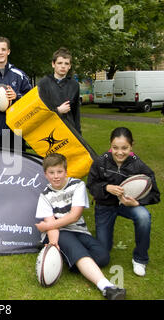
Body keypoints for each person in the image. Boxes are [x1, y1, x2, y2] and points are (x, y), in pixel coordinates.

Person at [35, 153, 126, 300]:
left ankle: (72, 259)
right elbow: (52, 226)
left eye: (59, 172)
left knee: (103, 257)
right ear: (45, 174)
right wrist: (53, 243)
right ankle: (107, 287)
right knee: (77, 250)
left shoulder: (77, 185)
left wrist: (47, 225)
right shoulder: (45, 195)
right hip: (59, 232)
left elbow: (75, 216)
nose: (56, 176)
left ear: (66, 171)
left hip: (79, 229)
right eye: (51, 173)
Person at [87, 127, 160, 276]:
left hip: (127, 206)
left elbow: (155, 193)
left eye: (124, 148)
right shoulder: (101, 162)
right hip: (105, 206)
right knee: (103, 251)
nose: (119, 152)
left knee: (144, 216)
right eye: (115, 148)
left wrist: (137, 203)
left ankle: (140, 259)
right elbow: (91, 185)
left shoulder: (138, 165)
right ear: (110, 145)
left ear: (132, 145)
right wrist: (106, 187)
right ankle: (101, 239)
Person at [38, 47, 81, 134]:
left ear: (69, 66)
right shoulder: (43, 83)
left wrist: (78, 134)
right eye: (60, 63)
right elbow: (39, 112)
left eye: (66, 63)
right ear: (53, 64)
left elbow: (76, 113)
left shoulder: (74, 85)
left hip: (69, 130)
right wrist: (58, 111)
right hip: (49, 131)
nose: (63, 66)